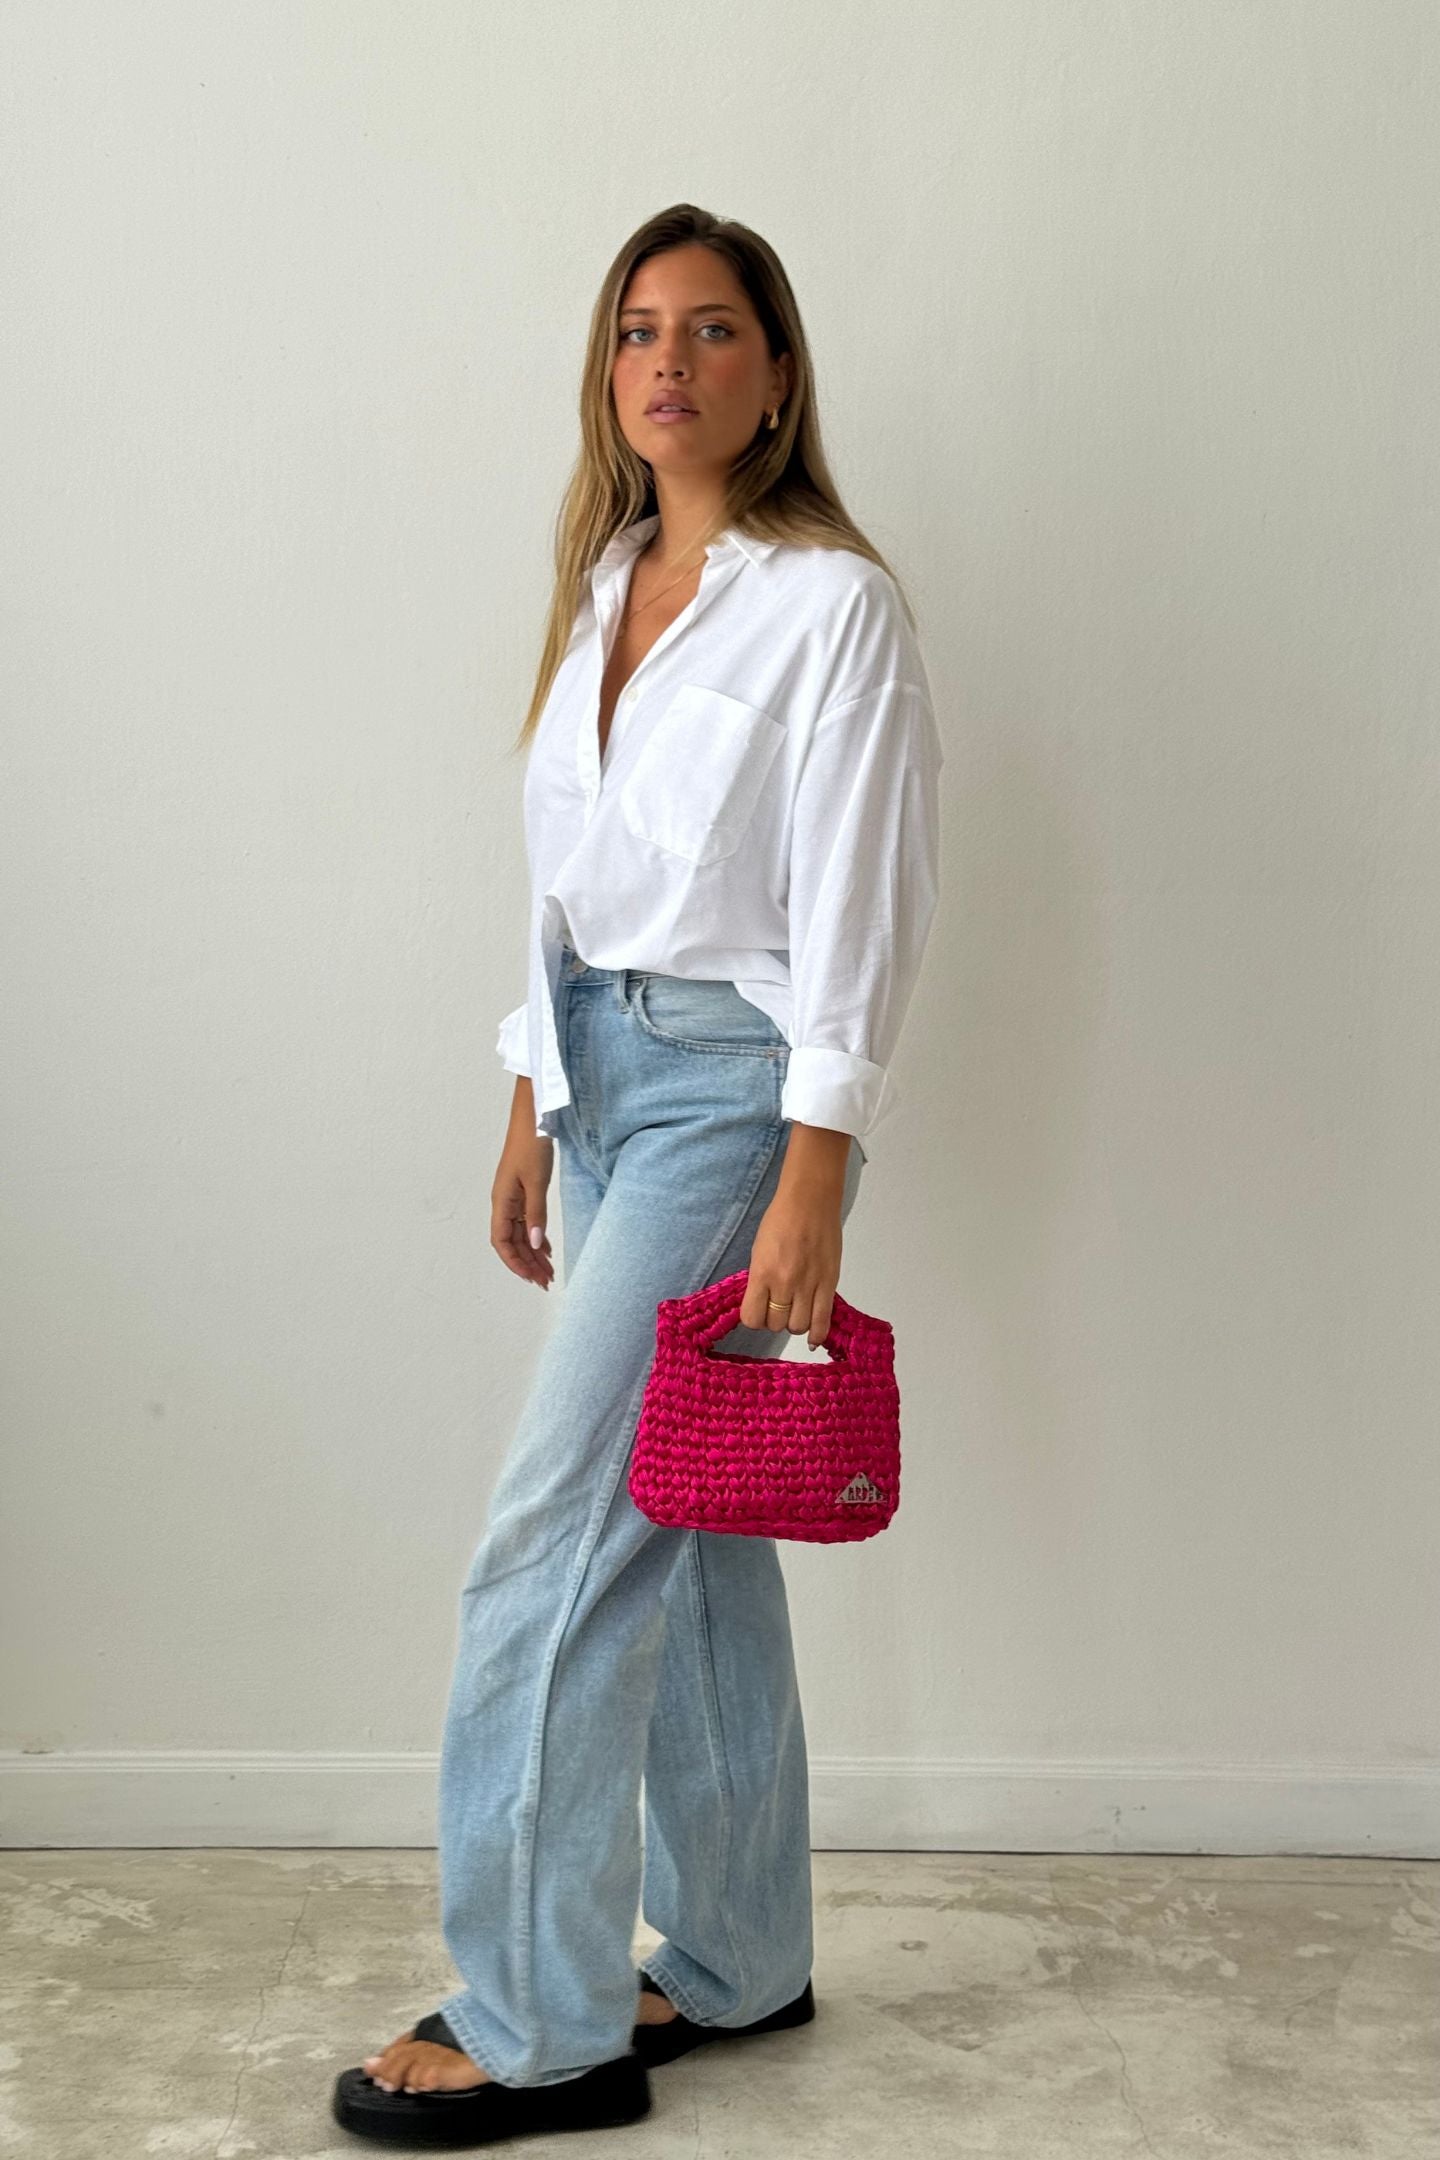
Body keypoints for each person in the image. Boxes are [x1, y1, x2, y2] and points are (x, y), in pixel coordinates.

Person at [332, 202, 943, 2147]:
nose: (667, 361)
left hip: (730, 1096)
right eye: (635, 333)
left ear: (775, 377)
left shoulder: (831, 606)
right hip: (598, 1078)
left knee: (551, 1545)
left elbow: (864, 905)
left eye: (712, 330)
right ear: (611, 376)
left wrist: (814, 1173)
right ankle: (746, 1955)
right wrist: (529, 1088)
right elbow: (567, 879)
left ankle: (537, 2022)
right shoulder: (605, 584)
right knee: (694, 1528)